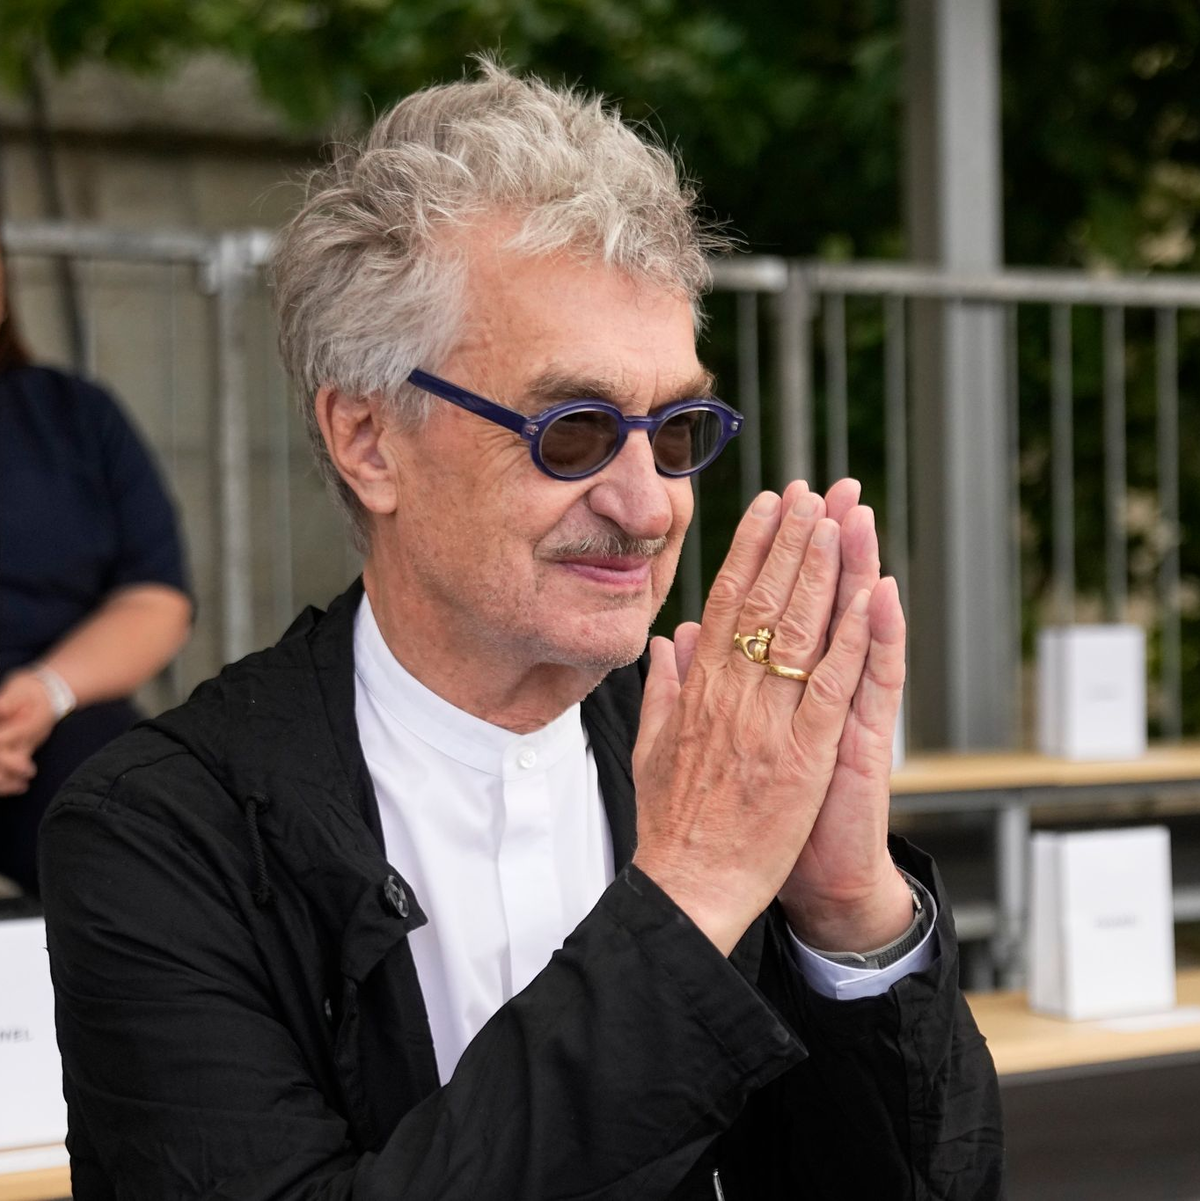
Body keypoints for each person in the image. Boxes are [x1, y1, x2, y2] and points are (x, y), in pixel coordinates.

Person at [40, 63, 1003, 1199]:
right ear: (368, 438)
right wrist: (688, 900)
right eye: (575, 430)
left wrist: (849, 912)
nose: (650, 506)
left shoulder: (712, 758)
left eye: (679, 428)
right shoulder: (160, 830)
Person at [0, 240, 192, 898]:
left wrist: (46, 692)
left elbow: (156, 599)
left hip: (54, 715)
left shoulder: (75, 414)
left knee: (136, 831)